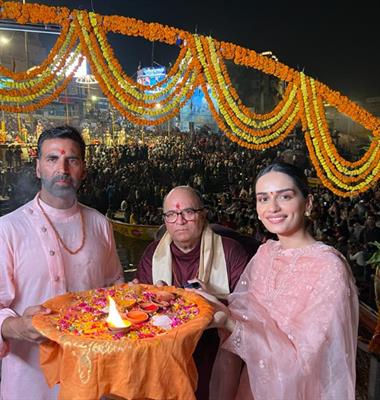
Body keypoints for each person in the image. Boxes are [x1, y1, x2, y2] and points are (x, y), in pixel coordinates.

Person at [199, 162, 359, 400]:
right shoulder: (266, 253)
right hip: (253, 382)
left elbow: (307, 360)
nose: (272, 207)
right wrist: (213, 301)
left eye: (284, 196)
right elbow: (246, 311)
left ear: (308, 202)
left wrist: (231, 324)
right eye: (263, 199)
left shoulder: (328, 268)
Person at [0, 126, 124, 400]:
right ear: (38, 168)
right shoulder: (8, 229)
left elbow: (114, 286)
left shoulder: (100, 224)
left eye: (73, 160)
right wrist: (18, 326)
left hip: (91, 371)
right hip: (29, 379)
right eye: (52, 159)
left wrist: (132, 298)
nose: (63, 168)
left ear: (84, 170)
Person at [136, 185, 251, 400]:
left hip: (216, 350)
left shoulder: (230, 251)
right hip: (168, 353)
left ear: (203, 214)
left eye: (188, 212)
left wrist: (213, 300)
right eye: (171, 214)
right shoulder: (152, 255)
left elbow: (249, 314)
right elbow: (142, 314)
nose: (180, 221)